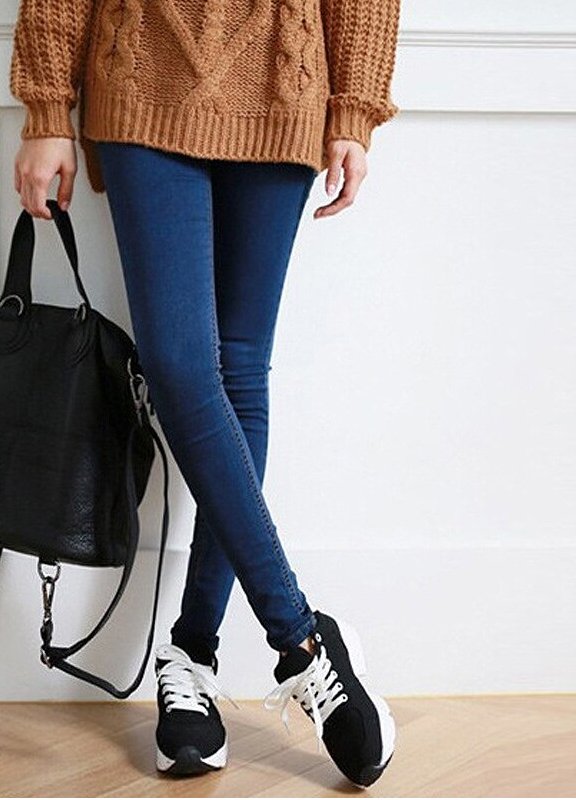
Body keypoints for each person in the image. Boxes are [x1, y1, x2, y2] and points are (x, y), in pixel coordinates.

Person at [9, 0, 401, 788]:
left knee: (241, 372)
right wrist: (48, 107)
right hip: (139, 70)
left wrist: (354, 109)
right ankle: (301, 639)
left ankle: (191, 652)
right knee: (181, 368)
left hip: (284, 77)